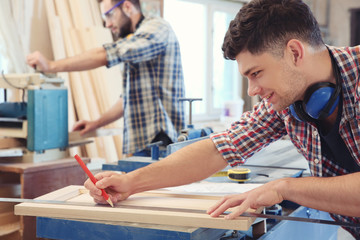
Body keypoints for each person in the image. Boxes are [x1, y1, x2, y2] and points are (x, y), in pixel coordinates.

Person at [83, 0, 360, 238]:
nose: (252, 91)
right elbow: (220, 148)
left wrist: (282, 187)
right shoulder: (287, 103)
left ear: (295, 52)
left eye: (256, 73)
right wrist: (131, 182)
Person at [26, 0, 185, 156]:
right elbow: (127, 99)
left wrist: (51, 66)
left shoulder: (156, 28)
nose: (107, 24)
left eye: (109, 15)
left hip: (162, 142)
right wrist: (96, 123)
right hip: (145, 142)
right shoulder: (137, 40)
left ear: (127, 6)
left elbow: (110, 53)